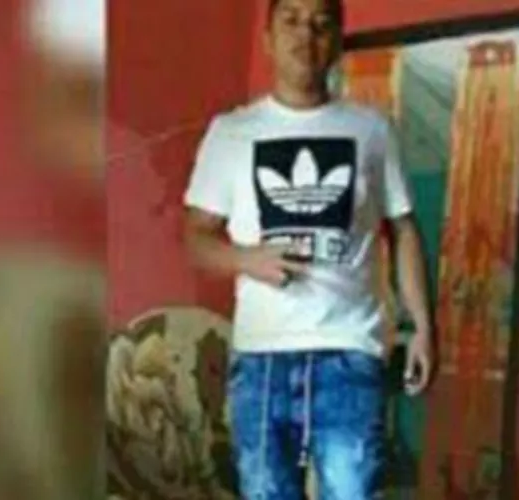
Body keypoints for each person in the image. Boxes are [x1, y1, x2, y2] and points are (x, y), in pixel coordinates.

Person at [183, 0, 434, 497]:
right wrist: (247, 259)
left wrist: (423, 327)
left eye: (321, 24)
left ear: (336, 40)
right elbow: (196, 237)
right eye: (292, 20)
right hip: (261, 358)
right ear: (268, 39)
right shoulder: (230, 133)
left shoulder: (372, 130)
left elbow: (403, 229)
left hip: (349, 352)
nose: (306, 35)